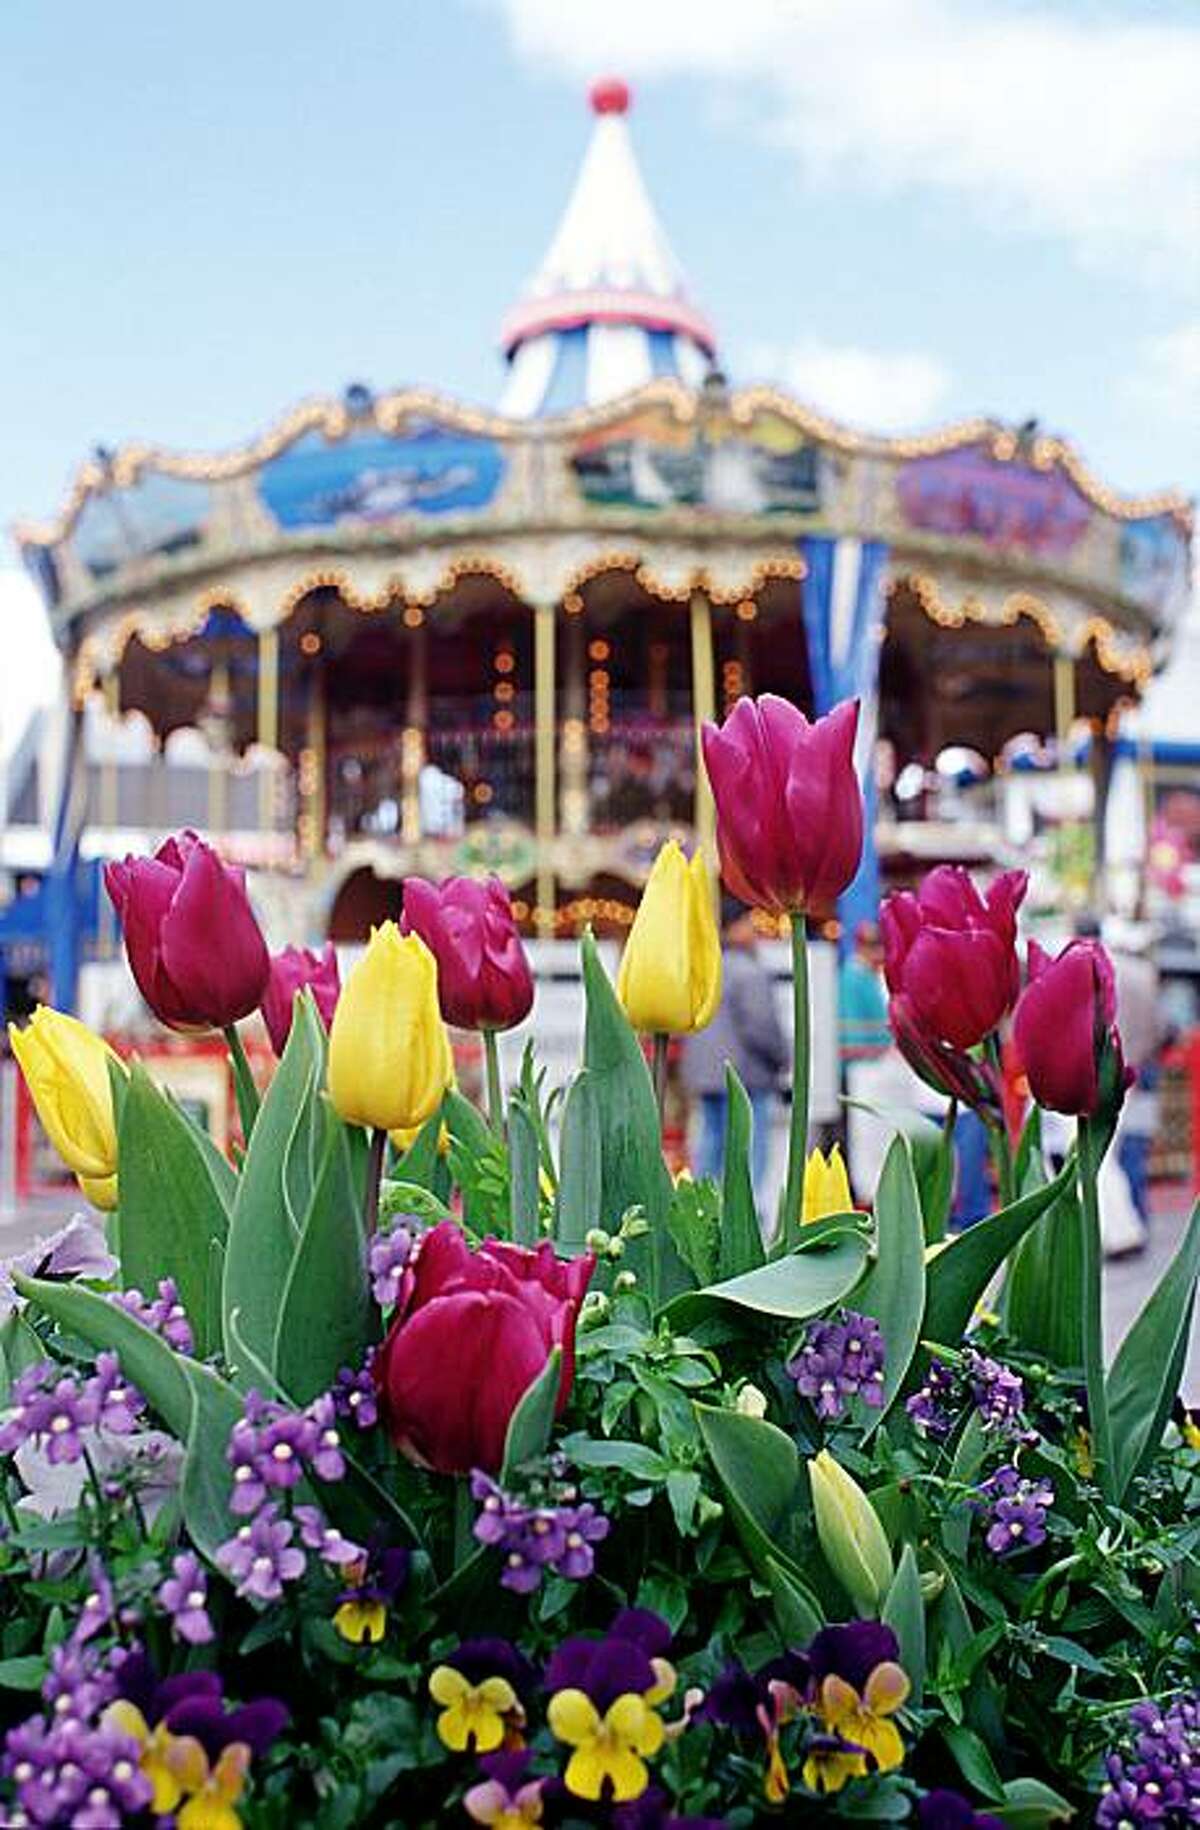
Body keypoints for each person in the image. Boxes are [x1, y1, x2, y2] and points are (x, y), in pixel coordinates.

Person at [682, 904, 787, 1193]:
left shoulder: (707, 970)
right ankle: (746, 1220)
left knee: (711, 1146)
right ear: (733, 928)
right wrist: (782, 1057)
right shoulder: (749, 972)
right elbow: (761, 1026)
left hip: (707, 1074)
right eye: (748, 923)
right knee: (749, 1153)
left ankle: (704, 1213)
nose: (754, 930)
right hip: (745, 1075)